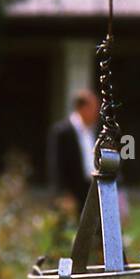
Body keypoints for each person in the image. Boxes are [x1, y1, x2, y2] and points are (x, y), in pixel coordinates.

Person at [47, 88, 100, 218]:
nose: (97, 112)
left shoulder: (96, 131)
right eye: (94, 108)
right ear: (82, 108)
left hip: (92, 188)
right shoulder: (62, 131)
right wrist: (64, 194)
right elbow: (56, 165)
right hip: (72, 191)